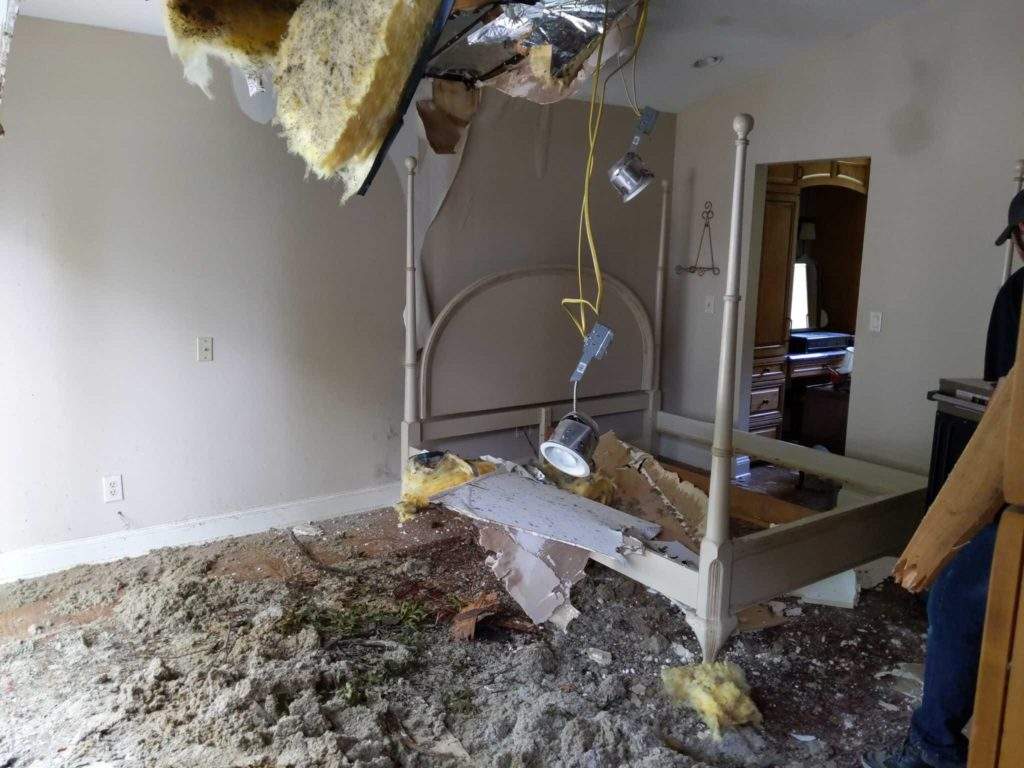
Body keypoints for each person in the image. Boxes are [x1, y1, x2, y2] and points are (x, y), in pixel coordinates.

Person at [862, 189, 1024, 768]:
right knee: (960, 599)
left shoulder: (1016, 294)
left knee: (955, 596)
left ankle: (934, 749)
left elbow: (1004, 407)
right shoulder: (1015, 296)